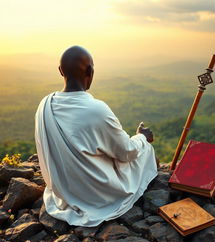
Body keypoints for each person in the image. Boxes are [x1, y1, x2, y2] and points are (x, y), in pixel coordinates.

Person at [35, 46, 158, 227]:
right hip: (98, 196)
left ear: (60, 71)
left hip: (62, 192)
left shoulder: (44, 105)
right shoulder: (97, 110)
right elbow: (126, 152)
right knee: (145, 149)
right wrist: (141, 137)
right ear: (90, 71)